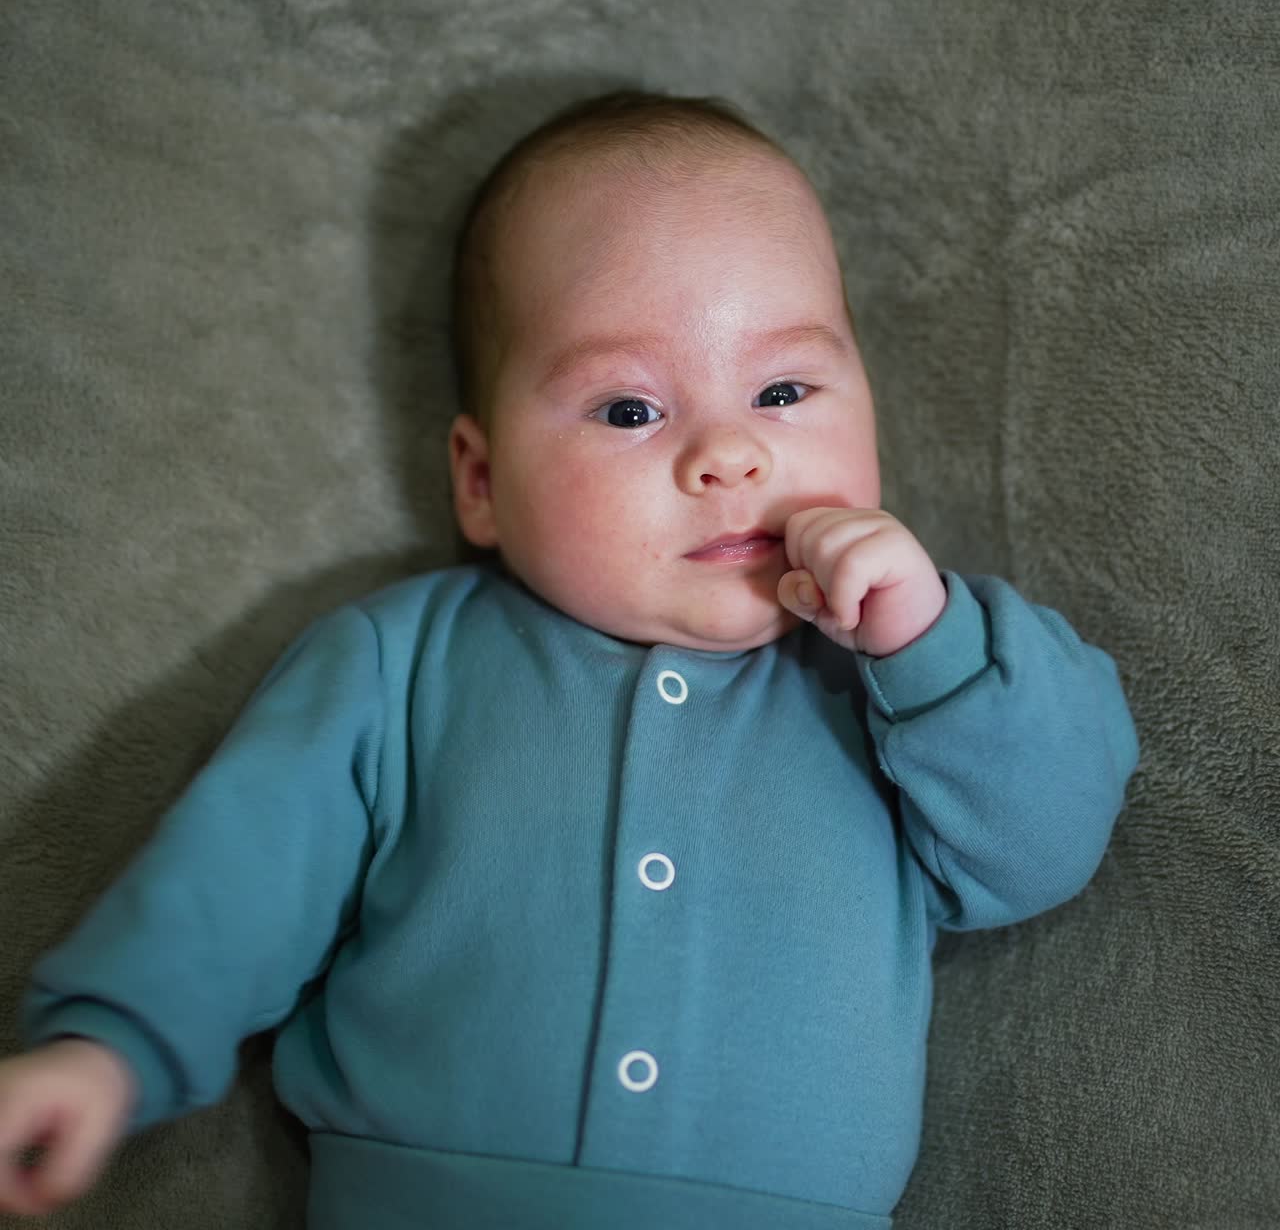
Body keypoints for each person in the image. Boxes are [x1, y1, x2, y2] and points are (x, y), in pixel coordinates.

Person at [0, 88, 1141, 1228]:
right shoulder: (400, 662)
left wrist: (924, 637)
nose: (728, 452)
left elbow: (1042, 842)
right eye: (630, 408)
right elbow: (241, 872)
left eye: (783, 391)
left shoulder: (898, 681)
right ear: (481, 480)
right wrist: (111, 1044)